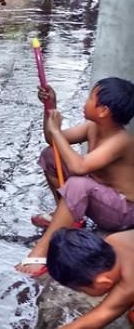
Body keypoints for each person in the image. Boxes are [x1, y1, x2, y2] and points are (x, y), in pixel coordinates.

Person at [16, 77, 134, 276]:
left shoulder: (121, 140)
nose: (85, 102)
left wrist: (56, 130)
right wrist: (50, 107)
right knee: (50, 155)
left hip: (122, 212)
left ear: (103, 110)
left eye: (90, 98)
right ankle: (67, 216)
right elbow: (52, 140)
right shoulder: (92, 126)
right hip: (100, 195)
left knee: (79, 183)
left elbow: (79, 167)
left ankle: (42, 251)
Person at [46, 229, 134, 328]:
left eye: (81, 290)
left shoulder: (130, 282)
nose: (81, 293)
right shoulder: (114, 240)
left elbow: (106, 312)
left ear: (103, 283)